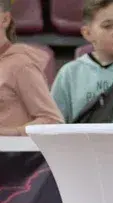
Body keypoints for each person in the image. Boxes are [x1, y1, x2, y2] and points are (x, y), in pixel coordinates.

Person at [0, 0, 63, 135]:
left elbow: (52, 121)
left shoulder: (21, 65)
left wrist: (11, 133)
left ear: (5, 19)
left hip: (12, 154)